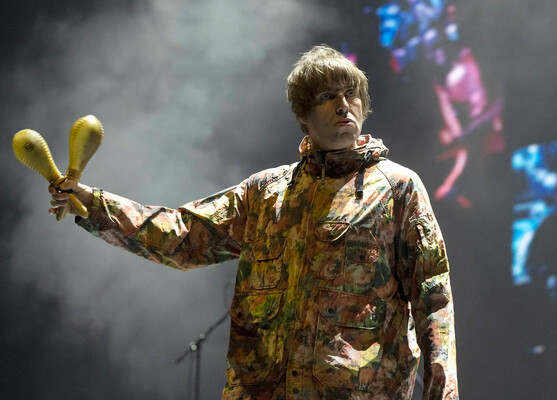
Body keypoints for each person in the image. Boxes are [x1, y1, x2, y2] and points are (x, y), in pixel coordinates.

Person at [49, 45, 458, 400]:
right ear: (303, 115)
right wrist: (93, 204)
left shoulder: (397, 189)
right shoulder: (265, 194)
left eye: (352, 94)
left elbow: (434, 302)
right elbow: (181, 236)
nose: (343, 105)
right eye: (327, 96)